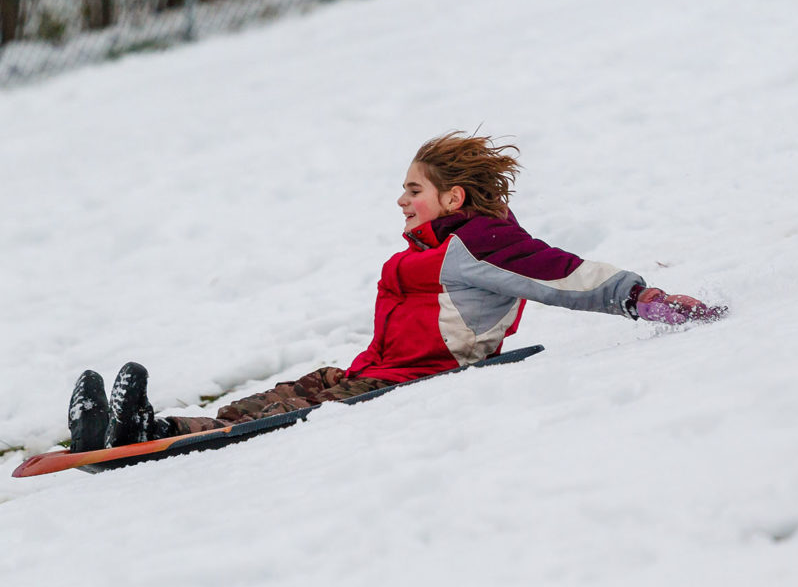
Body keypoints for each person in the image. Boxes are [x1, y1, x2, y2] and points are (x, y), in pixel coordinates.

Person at [67, 132, 725, 452]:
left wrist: (642, 296)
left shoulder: (484, 244)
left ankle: (141, 431)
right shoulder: (431, 250)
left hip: (407, 380)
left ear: (452, 197)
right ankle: (136, 427)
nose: (401, 198)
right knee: (277, 396)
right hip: (369, 370)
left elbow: (561, 272)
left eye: (414, 188)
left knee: (271, 413)